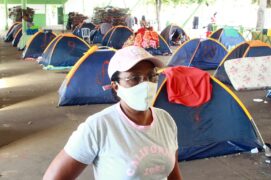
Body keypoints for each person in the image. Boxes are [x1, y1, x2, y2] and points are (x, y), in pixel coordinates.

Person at [43, 46, 182, 180]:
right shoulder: (98, 127)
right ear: (116, 86)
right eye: (134, 78)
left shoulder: (166, 120)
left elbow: (173, 175)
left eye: (151, 76)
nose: (146, 85)